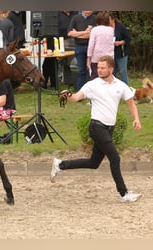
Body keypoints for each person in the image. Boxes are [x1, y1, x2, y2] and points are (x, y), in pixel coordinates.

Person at [51, 55, 142, 203]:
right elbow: (76, 97)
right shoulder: (92, 85)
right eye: (98, 67)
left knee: (93, 163)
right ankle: (124, 194)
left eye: (102, 68)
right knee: (115, 158)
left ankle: (60, 165)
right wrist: (68, 95)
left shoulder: (120, 85)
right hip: (97, 127)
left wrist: (136, 118)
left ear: (111, 69)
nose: (99, 70)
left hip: (108, 128)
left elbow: (131, 103)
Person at [67, 11, 96, 91]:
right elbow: (69, 33)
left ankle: (93, 91)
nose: (89, 11)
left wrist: (77, 34)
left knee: (92, 69)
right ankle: (80, 91)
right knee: (81, 70)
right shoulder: (76, 18)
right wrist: (86, 32)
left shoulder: (94, 18)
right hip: (79, 47)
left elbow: (93, 35)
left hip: (91, 47)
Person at [87, 11, 114, 80]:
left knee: (95, 77)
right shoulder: (111, 30)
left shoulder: (95, 30)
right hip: (109, 57)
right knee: (108, 76)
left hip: (97, 57)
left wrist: (89, 58)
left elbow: (91, 45)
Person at [109, 12, 131, 85]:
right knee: (112, 72)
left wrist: (120, 42)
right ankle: (113, 89)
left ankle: (126, 89)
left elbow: (128, 38)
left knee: (122, 72)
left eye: (108, 20)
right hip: (111, 53)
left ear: (113, 20)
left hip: (121, 53)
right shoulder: (106, 28)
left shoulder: (120, 27)